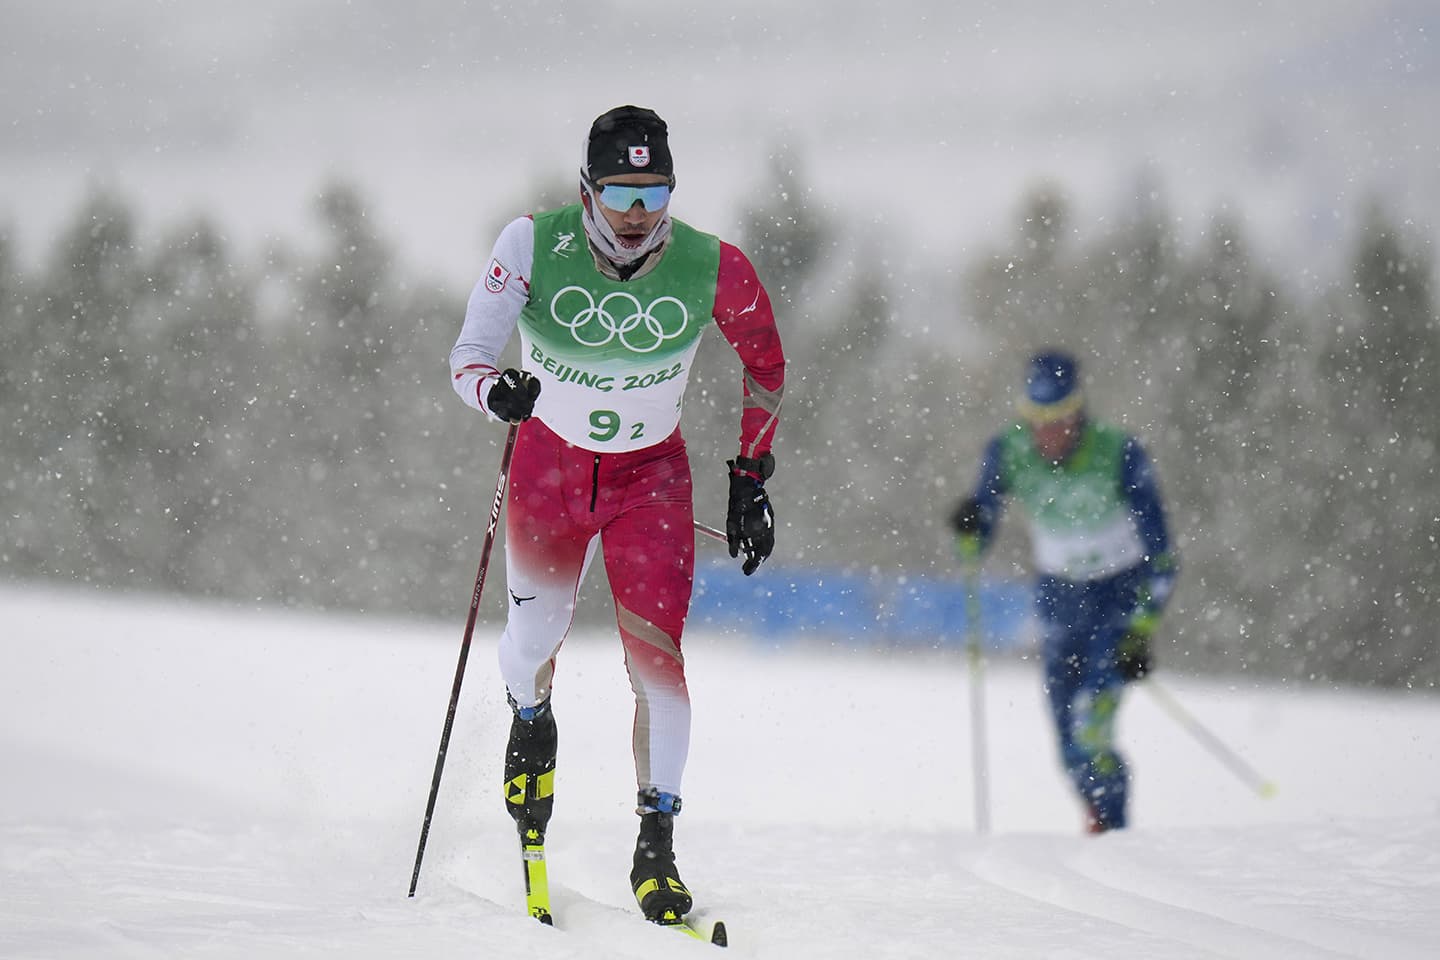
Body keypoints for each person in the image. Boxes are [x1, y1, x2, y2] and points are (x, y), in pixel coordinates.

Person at [448, 105, 785, 923]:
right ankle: (532, 720)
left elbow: (766, 363)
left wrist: (750, 475)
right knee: (532, 642)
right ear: (586, 189)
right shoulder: (531, 244)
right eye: (619, 192)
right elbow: (467, 359)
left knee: (659, 665)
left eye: (654, 190)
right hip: (548, 475)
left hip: (650, 483)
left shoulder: (714, 264)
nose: (637, 212)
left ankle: (657, 844)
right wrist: (500, 394)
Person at [948, 350, 1177, 832]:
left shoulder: (1120, 452)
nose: (1047, 432)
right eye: (1036, 418)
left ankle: (1115, 836)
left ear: (1079, 410)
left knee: (1092, 728)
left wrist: (1140, 630)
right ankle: (1101, 821)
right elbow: (977, 537)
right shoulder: (1008, 450)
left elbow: (1163, 559)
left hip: (1117, 595)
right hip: (1058, 600)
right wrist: (970, 525)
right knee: (1069, 749)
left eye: (1059, 418)